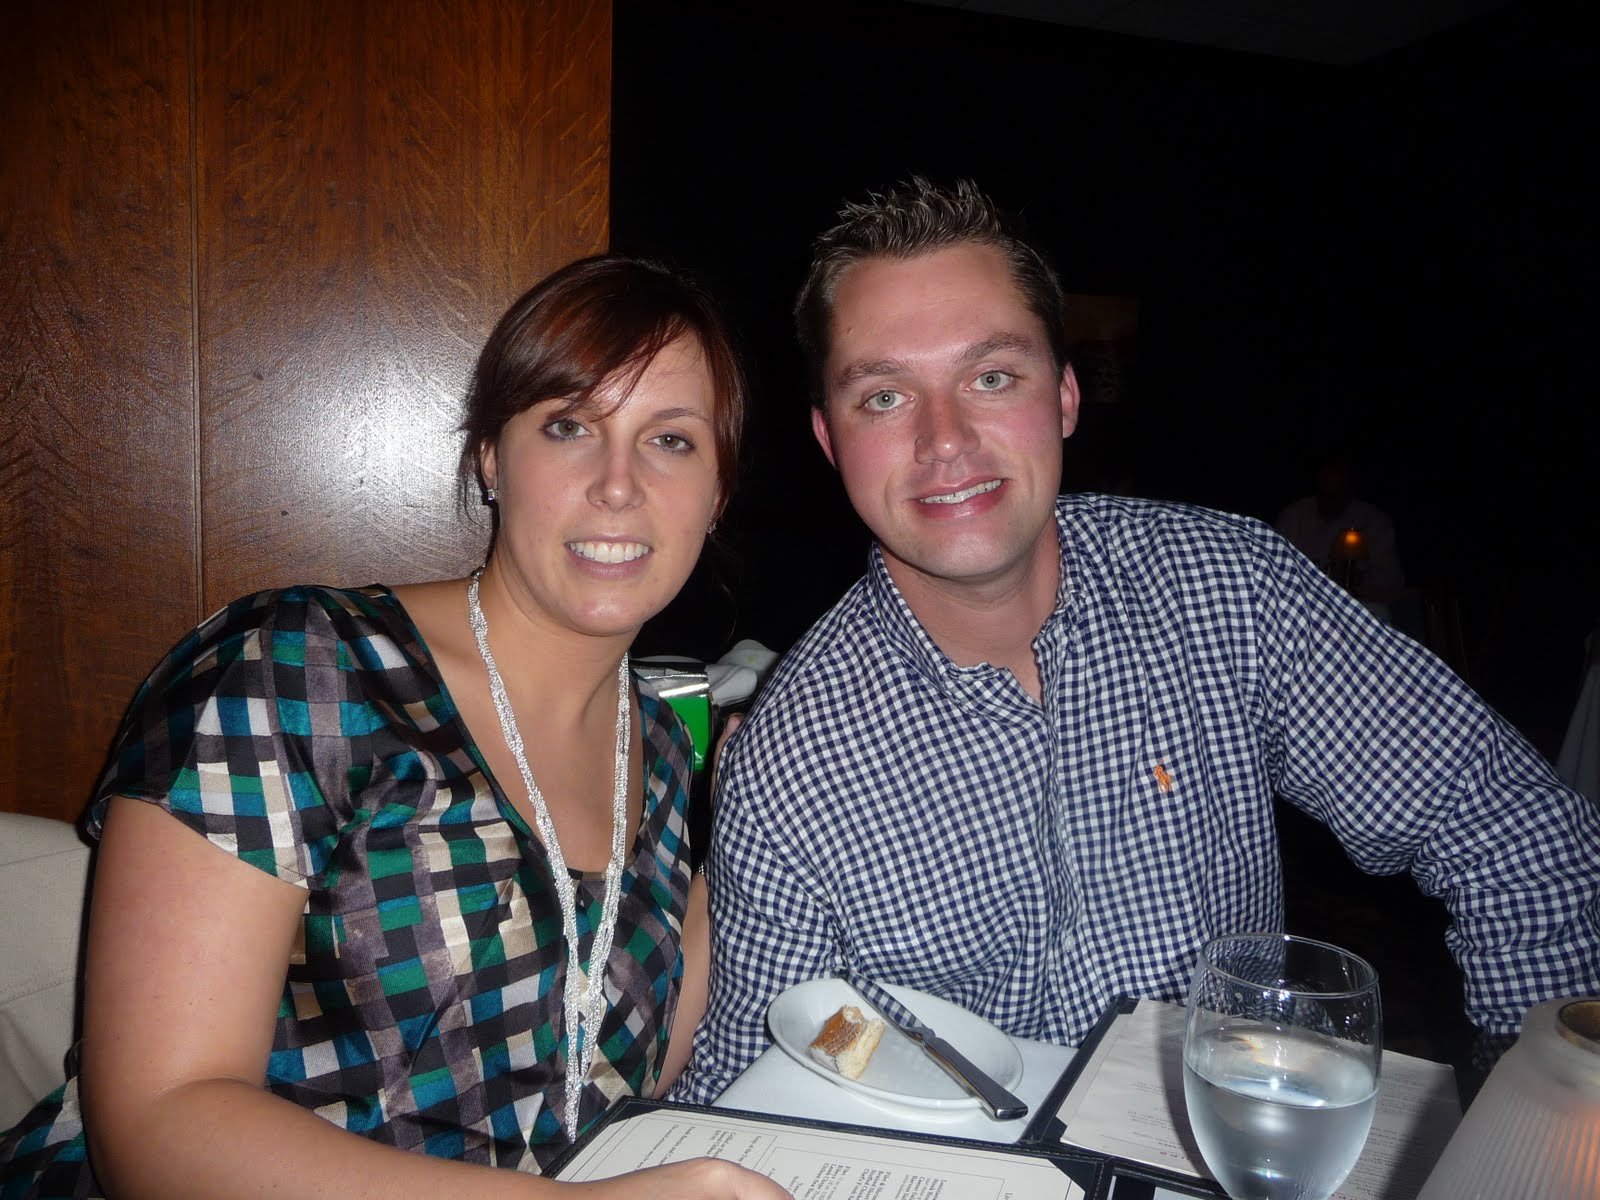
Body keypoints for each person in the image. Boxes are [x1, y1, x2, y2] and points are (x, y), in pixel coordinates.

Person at [671, 179, 1600, 1106]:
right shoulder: (792, 759)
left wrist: (1543, 1112)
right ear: (830, 441)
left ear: (1066, 396)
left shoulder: (1227, 593)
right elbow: (748, 1090)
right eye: (884, 396)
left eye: (992, 377)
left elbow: (1516, 834)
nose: (944, 439)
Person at [1, 256, 788, 1199]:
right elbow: (159, 1126)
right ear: (491, 455)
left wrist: (750, 820)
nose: (618, 485)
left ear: (718, 490)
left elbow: (613, 1078)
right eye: (569, 426)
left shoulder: (657, 752)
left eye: (670, 440)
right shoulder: (304, 669)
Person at [1275, 451, 1405, 605]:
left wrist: (1353, 578)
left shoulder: (1374, 522)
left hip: (1357, 607)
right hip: (1302, 604)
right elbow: (1275, 569)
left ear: (1351, 488)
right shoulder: (1293, 517)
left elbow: (1392, 582)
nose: (1330, 498)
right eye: (1325, 488)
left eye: (1338, 489)